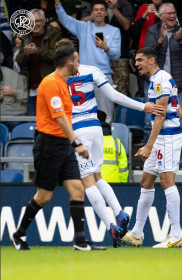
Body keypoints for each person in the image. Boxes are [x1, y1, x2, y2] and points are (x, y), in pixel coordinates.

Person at [55, 38, 163, 247]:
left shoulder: (55, 78)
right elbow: (114, 96)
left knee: (87, 183)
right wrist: (143, 107)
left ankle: (110, 226)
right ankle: (119, 211)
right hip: (96, 128)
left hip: (77, 131)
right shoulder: (91, 70)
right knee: (97, 176)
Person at [11, 45, 106, 251]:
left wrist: (70, 142)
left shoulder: (63, 83)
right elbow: (60, 118)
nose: (79, 65)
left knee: (78, 189)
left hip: (63, 144)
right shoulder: (51, 83)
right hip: (49, 144)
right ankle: (19, 235)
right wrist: (76, 142)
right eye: (77, 61)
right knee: (44, 196)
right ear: (69, 63)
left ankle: (80, 242)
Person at [121, 47, 182, 248]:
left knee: (166, 182)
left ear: (152, 60)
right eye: (136, 60)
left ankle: (176, 235)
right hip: (162, 137)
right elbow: (180, 112)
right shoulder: (157, 79)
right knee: (146, 181)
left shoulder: (160, 79)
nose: (136, 63)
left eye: (140, 60)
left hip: (168, 138)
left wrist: (149, 146)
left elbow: (161, 114)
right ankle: (137, 234)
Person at [144, 2, 182, 170]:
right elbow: (147, 53)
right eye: (169, 13)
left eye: (174, 13)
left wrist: (181, 40)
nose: (173, 16)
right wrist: (161, 37)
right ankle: (149, 158)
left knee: (179, 122)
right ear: (160, 16)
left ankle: (181, 159)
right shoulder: (153, 30)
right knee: (149, 122)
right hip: (155, 87)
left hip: (177, 85)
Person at [55, 0, 121, 123]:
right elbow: (64, 19)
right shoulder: (83, 27)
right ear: (92, 13)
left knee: (106, 117)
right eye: (96, 10)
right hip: (84, 78)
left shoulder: (114, 31)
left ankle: (106, 141)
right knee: (82, 115)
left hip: (104, 78)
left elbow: (116, 56)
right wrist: (57, 3)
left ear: (106, 13)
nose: (99, 12)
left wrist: (106, 48)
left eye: (102, 10)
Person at [81, 0, 134, 96]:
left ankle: (118, 111)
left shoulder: (124, 5)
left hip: (120, 55)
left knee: (120, 92)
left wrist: (114, 8)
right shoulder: (95, 4)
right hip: (98, 56)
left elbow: (126, 26)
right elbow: (82, 22)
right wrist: (97, 13)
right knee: (99, 92)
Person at [16, 9, 62, 116]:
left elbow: (58, 55)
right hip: (33, 88)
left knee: (52, 120)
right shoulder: (26, 36)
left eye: (37, 21)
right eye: (31, 21)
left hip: (50, 87)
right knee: (33, 123)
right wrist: (26, 55)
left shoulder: (53, 33)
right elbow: (20, 61)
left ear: (43, 22)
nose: (34, 24)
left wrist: (38, 51)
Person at [98, 110, 129, 183]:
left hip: (92, 184)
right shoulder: (116, 143)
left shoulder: (87, 143)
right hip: (114, 184)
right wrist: (123, 184)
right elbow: (123, 167)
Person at [0, 67, 28, 131]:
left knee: (15, 124)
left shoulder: (16, 76)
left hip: (13, 114)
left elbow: (27, 98)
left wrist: (15, 92)